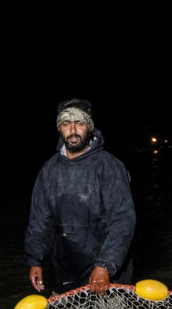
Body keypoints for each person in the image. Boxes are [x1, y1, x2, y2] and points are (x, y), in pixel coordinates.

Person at [24, 98, 136, 294]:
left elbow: (122, 220)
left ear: (90, 128)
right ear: (60, 128)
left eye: (80, 123)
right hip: (66, 271)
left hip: (108, 273)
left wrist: (105, 266)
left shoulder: (109, 166)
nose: (73, 130)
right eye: (66, 124)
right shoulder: (49, 170)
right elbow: (40, 220)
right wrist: (35, 260)